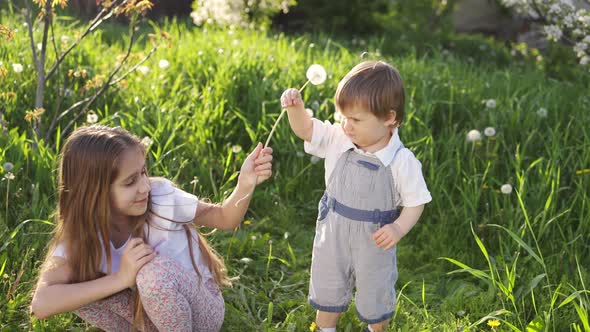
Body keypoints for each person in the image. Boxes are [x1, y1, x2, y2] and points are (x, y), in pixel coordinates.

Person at [30, 125, 273, 331]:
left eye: (143, 172)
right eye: (130, 181)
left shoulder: (161, 199)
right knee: (77, 287)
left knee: (152, 274)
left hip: (201, 311)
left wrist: (245, 183)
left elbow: (224, 218)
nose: (145, 186)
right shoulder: (82, 236)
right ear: (93, 193)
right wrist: (120, 279)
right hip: (147, 314)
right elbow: (41, 304)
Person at [280, 60, 432, 332]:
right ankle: (326, 328)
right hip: (333, 230)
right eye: (343, 117)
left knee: (375, 289)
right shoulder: (339, 137)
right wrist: (295, 109)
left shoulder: (401, 160)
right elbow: (306, 130)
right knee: (328, 285)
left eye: (356, 120)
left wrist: (398, 228)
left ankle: (376, 328)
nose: (347, 126)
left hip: (374, 238)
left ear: (389, 118)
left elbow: (415, 202)